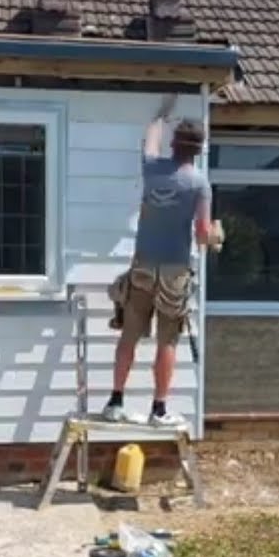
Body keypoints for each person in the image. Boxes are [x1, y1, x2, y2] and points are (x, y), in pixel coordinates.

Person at [103, 94, 216, 427]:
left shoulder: (152, 169)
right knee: (167, 341)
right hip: (174, 271)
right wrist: (212, 237)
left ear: (174, 144)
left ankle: (115, 402)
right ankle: (159, 409)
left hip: (142, 266)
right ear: (198, 150)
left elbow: (150, 137)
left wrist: (162, 115)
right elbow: (202, 232)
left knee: (129, 336)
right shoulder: (199, 184)